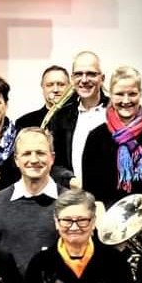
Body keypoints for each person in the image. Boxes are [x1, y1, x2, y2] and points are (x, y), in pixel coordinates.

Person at [81, 66, 142, 207]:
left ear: (140, 93)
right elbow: (90, 190)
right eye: (119, 94)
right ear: (110, 94)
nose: (126, 100)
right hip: (107, 221)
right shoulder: (96, 137)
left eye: (132, 94)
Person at [0, 128, 65, 275]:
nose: (34, 160)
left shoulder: (71, 203)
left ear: (52, 158)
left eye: (40, 153)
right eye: (26, 153)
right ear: (16, 160)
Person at [49, 50, 108, 188]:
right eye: (78, 74)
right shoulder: (60, 117)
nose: (84, 79)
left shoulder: (116, 113)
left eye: (91, 74)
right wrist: (71, 181)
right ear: (72, 79)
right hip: (74, 196)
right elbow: (53, 162)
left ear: (102, 78)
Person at [16, 65, 70, 129]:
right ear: (42, 87)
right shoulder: (25, 122)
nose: (55, 90)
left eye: (61, 85)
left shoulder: (79, 118)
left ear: (69, 87)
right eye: (49, 85)